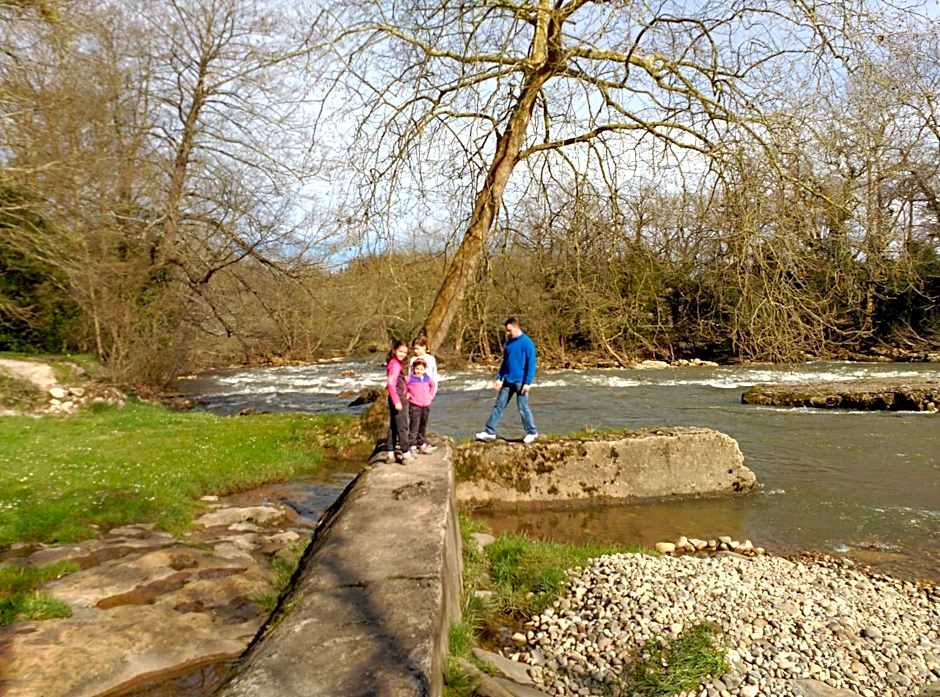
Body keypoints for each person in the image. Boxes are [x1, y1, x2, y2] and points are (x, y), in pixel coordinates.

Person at [475, 317, 539, 443]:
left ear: (516, 327)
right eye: (507, 331)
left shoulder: (527, 343)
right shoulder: (509, 344)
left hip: (521, 382)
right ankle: (489, 431)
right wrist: (499, 378)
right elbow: (505, 363)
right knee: (499, 405)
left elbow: (531, 364)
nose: (508, 333)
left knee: (523, 407)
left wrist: (528, 383)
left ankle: (532, 432)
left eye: (509, 330)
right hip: (508, 381)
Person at [385, 339, 414, 462]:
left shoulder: (395, 363)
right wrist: (397, 401)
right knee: (403, 426)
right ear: (394, 350)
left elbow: (400, 382)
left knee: (394, 426)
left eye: (405, 352)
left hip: (397, 397)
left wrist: (407, 391)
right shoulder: (395, 365)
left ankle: (390, 452)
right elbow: (391, 384)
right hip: (397, 399)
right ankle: (406, 453)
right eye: (400, 351)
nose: (402, 354)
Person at [406, 358, 437, 454]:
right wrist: (407, 394)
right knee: (414, 425)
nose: (419, 371)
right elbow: (403, 386)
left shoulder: (427, 377)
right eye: (417, 369)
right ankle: (412, 444)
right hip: (415, 405)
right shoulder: (410, 378)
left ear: (425, 369)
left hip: (426, 404)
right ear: (413, 369)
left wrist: (431, 396)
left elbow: (433, 385)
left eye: (421, 369)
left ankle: (421, 443)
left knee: (423, 425)